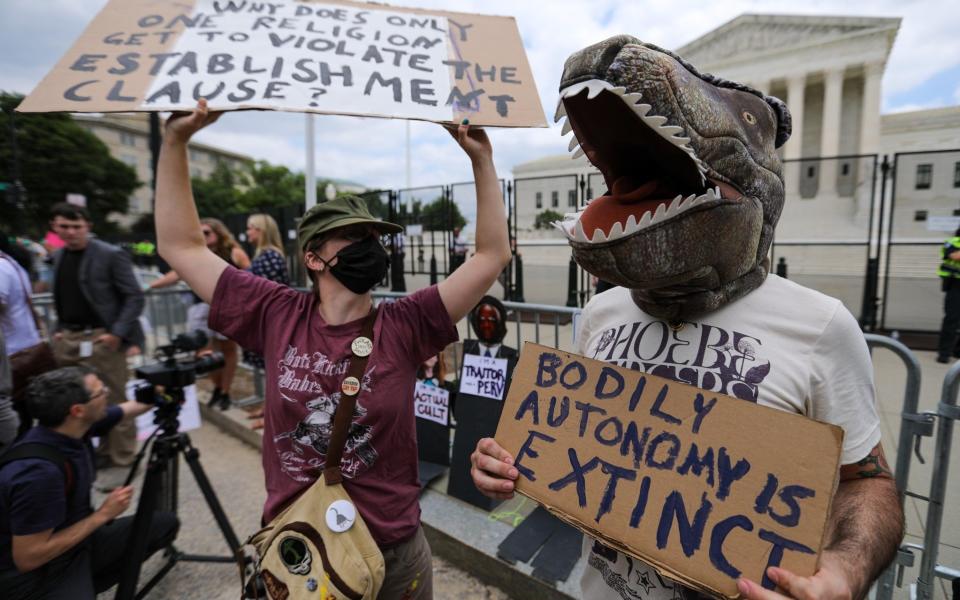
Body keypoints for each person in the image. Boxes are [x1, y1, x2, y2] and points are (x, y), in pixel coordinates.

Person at [471, 37, 901, 600]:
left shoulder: (821, 327)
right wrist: (506, 463)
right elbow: (572, 448)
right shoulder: (600, 314)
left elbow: (868, 483)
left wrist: (845, 570)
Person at [155, 100, 511, 599]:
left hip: (392, 549)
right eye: (354, 237)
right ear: (314, 256)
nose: (371, 246)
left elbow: (491, 255)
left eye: (374, 237)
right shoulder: (274, 311)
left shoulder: (407, 322)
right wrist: (175, 142)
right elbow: (182, 246)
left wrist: (481, 160)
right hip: (301, 549)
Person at [0, 366, 178, 599]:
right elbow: (28, 558)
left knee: (163, 525)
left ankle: (82, 584)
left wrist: (164, 390)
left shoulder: (71, 428)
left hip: (76, 544)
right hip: (31, 574)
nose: (106, 392)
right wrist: (103, 515)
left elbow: (125, 410)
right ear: (78, 410)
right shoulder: (40, 473)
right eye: (100, 391)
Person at [48, 202, 145, 467]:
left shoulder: (110, 254)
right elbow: (63, 297)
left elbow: (134, 296)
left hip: (103, 339)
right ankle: (98, 454)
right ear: (54, 227)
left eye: (76, 226)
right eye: (64, 227)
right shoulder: (58, 256)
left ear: (88, 226)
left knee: (114, 399)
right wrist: (58, 330)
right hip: (68, 338)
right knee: (74, 403)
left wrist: (116, 333)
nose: (70, 232)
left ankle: (122, 458)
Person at [149, 218, 251, 409]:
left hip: (228, 308)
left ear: (218, 233)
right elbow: (176, 273)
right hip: (200, 307)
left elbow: (252, 276)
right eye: (200, 233)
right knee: (203, 351)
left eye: (206, 232)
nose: (202, 236)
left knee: (228, 350)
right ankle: (217, 388)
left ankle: (225, 392)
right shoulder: (195, 254)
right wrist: (149, 286)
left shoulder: (233, 252)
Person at [0, 247, 43, 440]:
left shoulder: (1, 266)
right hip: (21, 349)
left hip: (13, 354)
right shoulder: (10, 261)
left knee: (16, 412)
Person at [242, 214, 291, 377]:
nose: (247, 232)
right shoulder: (267, 256)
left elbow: (262, 293)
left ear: (260, 230)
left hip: (271, 324)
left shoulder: (270, 257)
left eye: (250, 228)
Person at [936, 226, 960, 363]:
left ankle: (957, 350)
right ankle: (944, 353)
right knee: (952, 319)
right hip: (955, 285)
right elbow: (954, 256)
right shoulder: (953, 242)